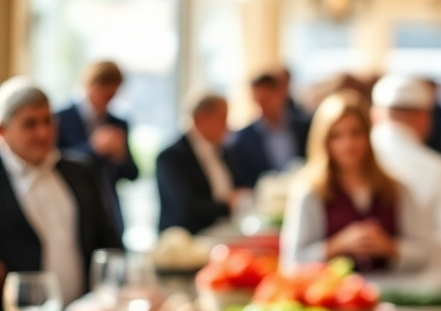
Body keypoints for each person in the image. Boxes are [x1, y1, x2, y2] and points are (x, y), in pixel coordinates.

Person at [0, 78, 122, 311]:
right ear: (3, 130)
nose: (43, 133)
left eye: (48, 121)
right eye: (30, 124)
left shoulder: (80, 170)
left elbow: (108, 241)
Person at [280, 91, 438, 279]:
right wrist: (336, 246)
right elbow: (292, 262)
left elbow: (426, 252)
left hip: (392, 293)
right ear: (324, 142)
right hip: (332, 295)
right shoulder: (311, 192)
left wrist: (390, 247)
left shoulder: (395, 189)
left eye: (356, 133)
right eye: (337, 136)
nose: (348, 144)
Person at [369, 75, 441, 281]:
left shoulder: (344, 164)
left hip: (351, 293)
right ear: (424, 117)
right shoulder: (440, 171)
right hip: (423, 295)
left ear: (374, 115)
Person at [54, 60, 138, 237]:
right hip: (73, 207)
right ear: (90, 85)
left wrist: (120, 155)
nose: (109, 102)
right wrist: (93, 148)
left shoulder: (118, 123)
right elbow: (55, 162)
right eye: (105, 95)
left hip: (110, 210)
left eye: (113, 96)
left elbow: (132, 174)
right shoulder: (60, 118)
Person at [156, 93, 236, 234]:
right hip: (187, 242)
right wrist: (227, 204)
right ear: (201, 119)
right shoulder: (171, 157)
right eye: (222, 119)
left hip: (224, 232)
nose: (227, 126)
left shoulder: (222, 150)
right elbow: (186, 208)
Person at [229, 70, 313, 189]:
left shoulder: (304, 127)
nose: (262, 105)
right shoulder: (243, 139)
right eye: (257, 100)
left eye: (266, 99)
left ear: (280, 94)